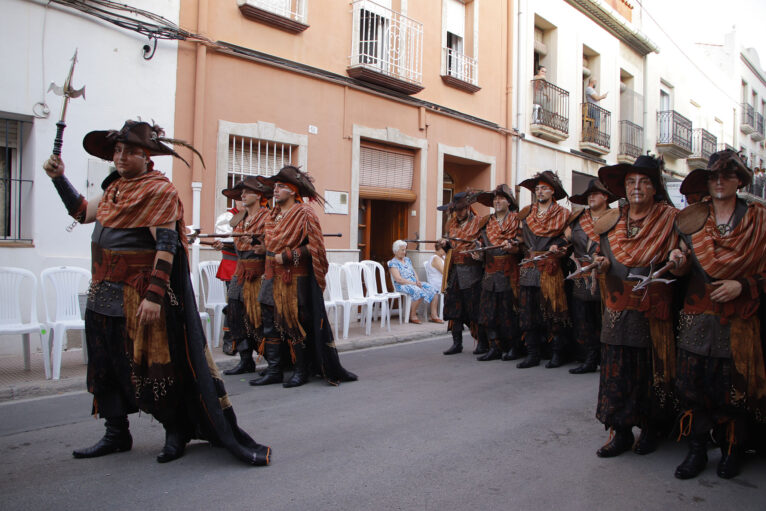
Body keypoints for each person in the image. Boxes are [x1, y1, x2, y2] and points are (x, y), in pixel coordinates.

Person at [43, 120, 270, 465]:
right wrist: (59, 178)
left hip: (139, 295)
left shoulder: (158, 190)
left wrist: (153, 295)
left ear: (146, 154)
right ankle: (116, 432)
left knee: (154, 367)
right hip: (103, 291)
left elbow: (166, 245)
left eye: (129, 150)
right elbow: (80, 211)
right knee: (106, 365)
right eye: (117, 150)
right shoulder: (113, 189)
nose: (121, 156)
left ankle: (175, 430)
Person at [671, 150, 766, 480]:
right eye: (713, 176)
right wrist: (678, 262)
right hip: (697, 316)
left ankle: (731, 450)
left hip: (739, 320)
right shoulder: (691, 218)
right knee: (693, 387)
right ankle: (696, 451)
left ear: (740, 181)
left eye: (727, 175)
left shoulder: (759, 220)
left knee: (734, 389)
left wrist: (743, 285)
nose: (720, 181)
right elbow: (679, 261)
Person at [592, 154, 679, 459]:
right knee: (617, 371)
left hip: (652, 309)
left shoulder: (671, 219)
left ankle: (652, 429)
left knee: (651, 371)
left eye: (644, 181)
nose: (636, 187)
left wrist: (679, 261)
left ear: (655, 187)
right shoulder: (613, 219)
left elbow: (682, 263)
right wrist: (600, 264)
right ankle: (621, 432)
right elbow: (598, 255)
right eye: (631, 182)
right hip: (617, 308)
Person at [249, 165, 357, 388]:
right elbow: (271, 244)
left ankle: (301, 370)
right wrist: (265, 251)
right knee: (270, 322)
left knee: (294, 323)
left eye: (280, 187)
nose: (275, 190)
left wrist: (290, 256)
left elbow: (315, 248)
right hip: (271, 276)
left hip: (293, 279)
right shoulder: (274, 215)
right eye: (275, 187)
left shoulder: (305, 213)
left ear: (292, 190)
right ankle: (275, 370)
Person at [516, 171, 571, 369]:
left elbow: (568, 238)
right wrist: (513, 243)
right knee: (528, 312)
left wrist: (559, 245)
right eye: (537, 188)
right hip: (529, 267)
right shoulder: (526, 213)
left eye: (544, 188)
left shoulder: (564, 214)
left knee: (553, 311)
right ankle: (532, 353)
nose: (539, 191)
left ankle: (556, 352)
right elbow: (520, 239)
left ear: (552, 191)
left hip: (550, 268)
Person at [220, 177, 273, 376]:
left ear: (258, 195)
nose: (242, 196)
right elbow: (236, 244)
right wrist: (222, 245)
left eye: (246, 192)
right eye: (241, 193)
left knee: (258, 318)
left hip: (259, 274)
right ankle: (245, 360)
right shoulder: (239, 218)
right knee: (234, 315)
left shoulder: (268, 217)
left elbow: (276, 243)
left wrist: (265, 248)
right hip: (239, 272)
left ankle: (273, 360)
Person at [566, 179, 616, 374]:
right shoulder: (578, 218)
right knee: (583, 320)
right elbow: (567, 239)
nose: (592, 197)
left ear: (605, 197)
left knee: (605, 319)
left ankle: (607, 358)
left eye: (596, 194)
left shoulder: (616, 217)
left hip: (606, 276)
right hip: (582, 276)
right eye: (589, 194)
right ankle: (589, 358)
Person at [473, 184, 523, 361]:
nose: (497, 201)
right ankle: (494, 346)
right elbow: (479, 243)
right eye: (495, 199)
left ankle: (513, 347)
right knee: (488, 312)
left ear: (509, 202)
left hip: (510, 272)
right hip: (490, 272)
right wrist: (477, 250)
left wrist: (514, 247)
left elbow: (523, 244)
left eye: (501, 198)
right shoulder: (486, 222)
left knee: (508, 312)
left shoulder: (517, 220)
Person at [438, 191, 485, 356]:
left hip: (472, 272)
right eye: (456, 210)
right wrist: (445, 244)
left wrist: (477, 248)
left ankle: (481, 342)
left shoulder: (479, 222)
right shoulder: (451, 224)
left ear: (467, 207)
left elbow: (484, 245)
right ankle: (456, 343)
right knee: (453, 307)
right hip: (454, 270)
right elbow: (449, 246)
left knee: (475, 309)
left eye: (461, 209)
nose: (458, 212)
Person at [212, 198, 240, 355]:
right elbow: (227, 240)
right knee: (232, 305)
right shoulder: (227, 217)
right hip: (232, 268)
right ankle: (229, 340)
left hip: (251, 267)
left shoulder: (254, 216)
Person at [388, 240, 441, 324]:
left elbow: (414, 271)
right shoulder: (393, 263)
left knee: (433, 289)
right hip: (402, 285)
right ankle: (412, 316)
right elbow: (398, 279)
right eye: (402, 250)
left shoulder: (407, 260)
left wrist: (417, 280)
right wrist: (413, 283)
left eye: (405, 250)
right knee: (418, 291)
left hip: (414, 283)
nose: (404, 252)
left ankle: (433, 315)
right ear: (396, 250)